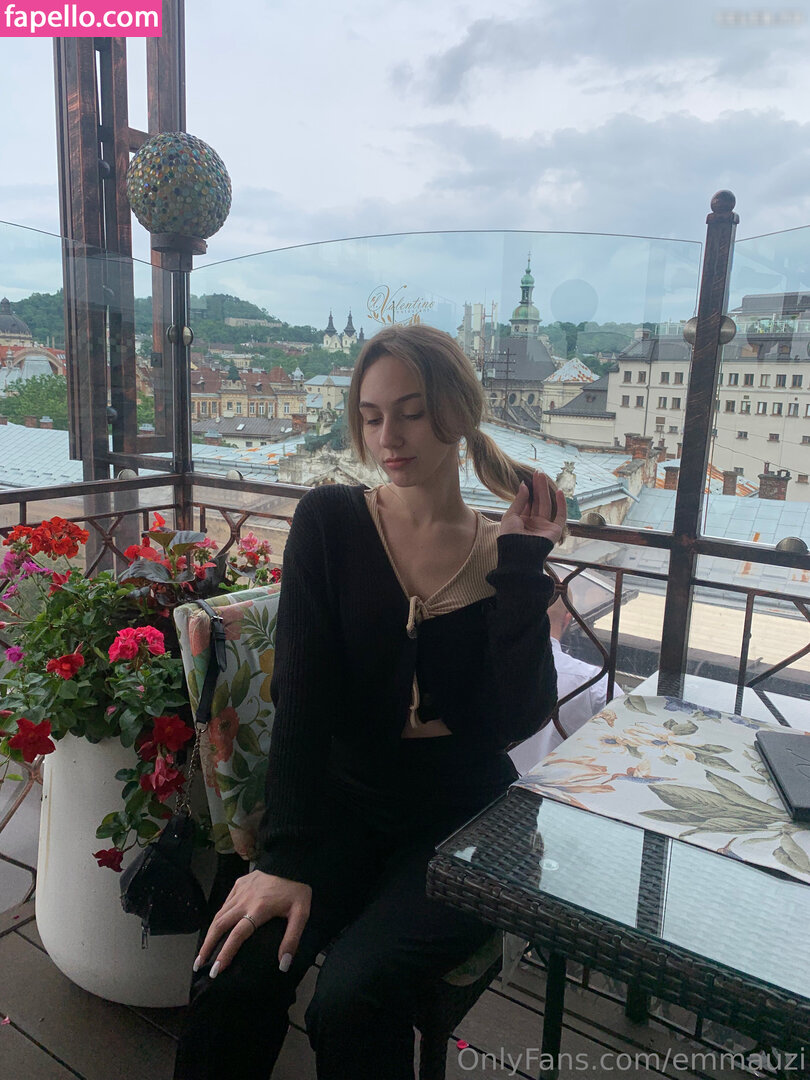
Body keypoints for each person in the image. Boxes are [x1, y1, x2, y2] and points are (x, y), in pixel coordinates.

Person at [174, 324, 567, 1080]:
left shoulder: (502, 552)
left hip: (466, 821)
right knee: (236, 969)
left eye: (412, 413)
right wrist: (286, 858)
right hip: (341, 804)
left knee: (354, 996)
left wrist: (522, 568)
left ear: (457, 412)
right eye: (373, 415)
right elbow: (302, 700)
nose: (389, 437)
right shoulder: (331, 522)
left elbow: (517, 721)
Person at [508, 595, 624, 774]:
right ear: (568, 618)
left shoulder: (483, 670)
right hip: (560, 790)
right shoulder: (595, 683)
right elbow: (627, 747)